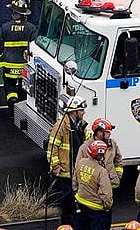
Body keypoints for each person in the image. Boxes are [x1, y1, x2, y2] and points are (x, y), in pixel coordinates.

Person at [48, 96, 88, 226]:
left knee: (77, 200)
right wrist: (55, 166)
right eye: (81, 110)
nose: (83, 112)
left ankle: (75, 223)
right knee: (67, 201)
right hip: (65, 171)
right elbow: (52, 148)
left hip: (77, 169)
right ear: (73, 112)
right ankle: (66, 225)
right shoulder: (60, 126)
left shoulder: (82, 125)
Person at [0, 0, 36, 107]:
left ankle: (12, 102)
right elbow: (34, 48)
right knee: (23, 87)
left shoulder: (5, 27)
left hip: (8, 65)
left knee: (9, 85)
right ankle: (20, 106)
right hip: (24, 67)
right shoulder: (31, 28)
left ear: (13, 12)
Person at [72, 139, 113, 230]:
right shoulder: (101, 171)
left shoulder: (81, 162)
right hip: (97, 210)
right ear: (100, 155)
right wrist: (107, 207)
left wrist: (78, 193)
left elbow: (75, 182)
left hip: (80, 205)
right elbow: (106, 194)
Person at [76, 117, 124, 190]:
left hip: (110, 183)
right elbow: (78, 168)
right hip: (93, 186)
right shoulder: (85, 147)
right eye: (107, 132)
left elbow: (118, 160)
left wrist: (117, 175)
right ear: (99, 133)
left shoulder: (112, 143)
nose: (110, 134)